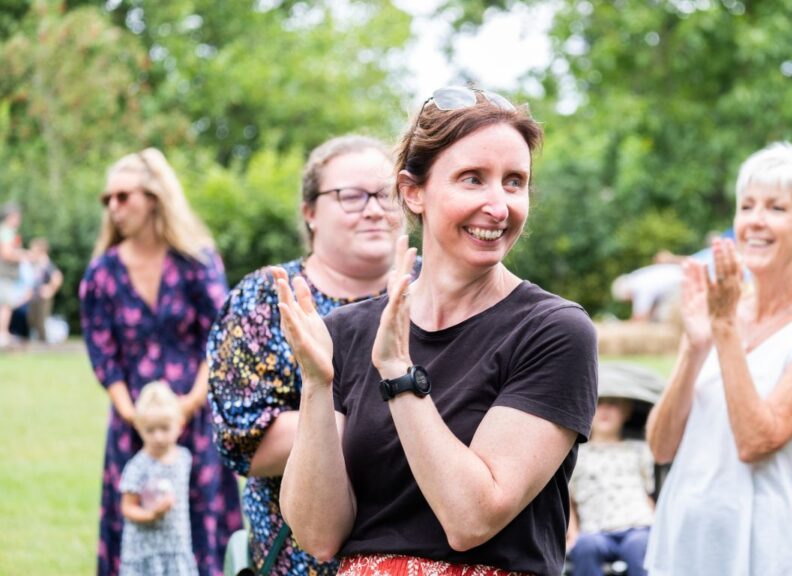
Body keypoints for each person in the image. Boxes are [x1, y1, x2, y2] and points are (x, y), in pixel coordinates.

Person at [274, 85, 598, 575]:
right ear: (413, 191)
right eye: (473, 179)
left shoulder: (552, 331)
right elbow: (319, 536)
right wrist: (317, 386)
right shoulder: (347, 332)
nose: (499, 205)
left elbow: (471, 518)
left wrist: (399, 372)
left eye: (514, 182)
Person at [644, 142, 792, 575]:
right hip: (685, 542)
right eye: (746, 206)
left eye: (776, 208)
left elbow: (756, 442)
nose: (755, 221)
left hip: (768, 550)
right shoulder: (719, 308)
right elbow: (661, 446)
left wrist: (723, 331)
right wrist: (696, 347)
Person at [208, 135, 408, 576]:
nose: (374, 209)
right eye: (352, 197)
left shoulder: (436, 295)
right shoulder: (265, 299)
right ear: (310, 212)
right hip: (301, 559)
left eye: (386, 194)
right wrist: (392, 412)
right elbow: (248, 446)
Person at [79, 148, 242, 576]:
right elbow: (103, 352)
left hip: (194, 415)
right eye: (107, 199)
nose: (113, 207)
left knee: (196, 516)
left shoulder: (195, 261)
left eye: (123, 196)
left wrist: (191, 401)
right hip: (133, 419)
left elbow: (220, 335)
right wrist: (130, 411)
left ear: (154, 198)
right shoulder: (102, 273)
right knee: (133, 515)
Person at [567, 364, 658, 576]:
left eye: (614, 404)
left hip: (638, 525)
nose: (605, 410)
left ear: (626, 412)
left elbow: (647, 494)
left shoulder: (639, 450)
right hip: (596, 529)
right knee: (586, 547)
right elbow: (568, 501)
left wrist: (659, 526)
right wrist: (572, 534)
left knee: (638, 546)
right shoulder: (577, 454)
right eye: (599, 403)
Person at [119, 381, 199, 576]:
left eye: (164, 428)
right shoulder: (137, 466)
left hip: (176, 547)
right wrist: (151, 515)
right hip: (145, 551)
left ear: (179, 424)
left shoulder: (184, 459)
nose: (158, 437)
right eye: (150, 430)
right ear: (139, 427)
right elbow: (127, 507)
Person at [0, 202, 28, 348]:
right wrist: (24, 255)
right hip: (5, 273)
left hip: (6, 274)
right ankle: (2, 334)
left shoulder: (7, 231)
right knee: (5, 305)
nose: (19, 220)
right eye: (17, 217)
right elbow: (6, 253)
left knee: (6, 305)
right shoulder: (6, 231)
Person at [25, 237, 63, 342]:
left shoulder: (46, 263)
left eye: (34, 250)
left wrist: (50, 289)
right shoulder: (34, 263)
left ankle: (43, 343)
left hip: (43, 297)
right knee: (32, 319)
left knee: (41, 320)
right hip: (34, 296)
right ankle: (37, 340)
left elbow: (57, 277)